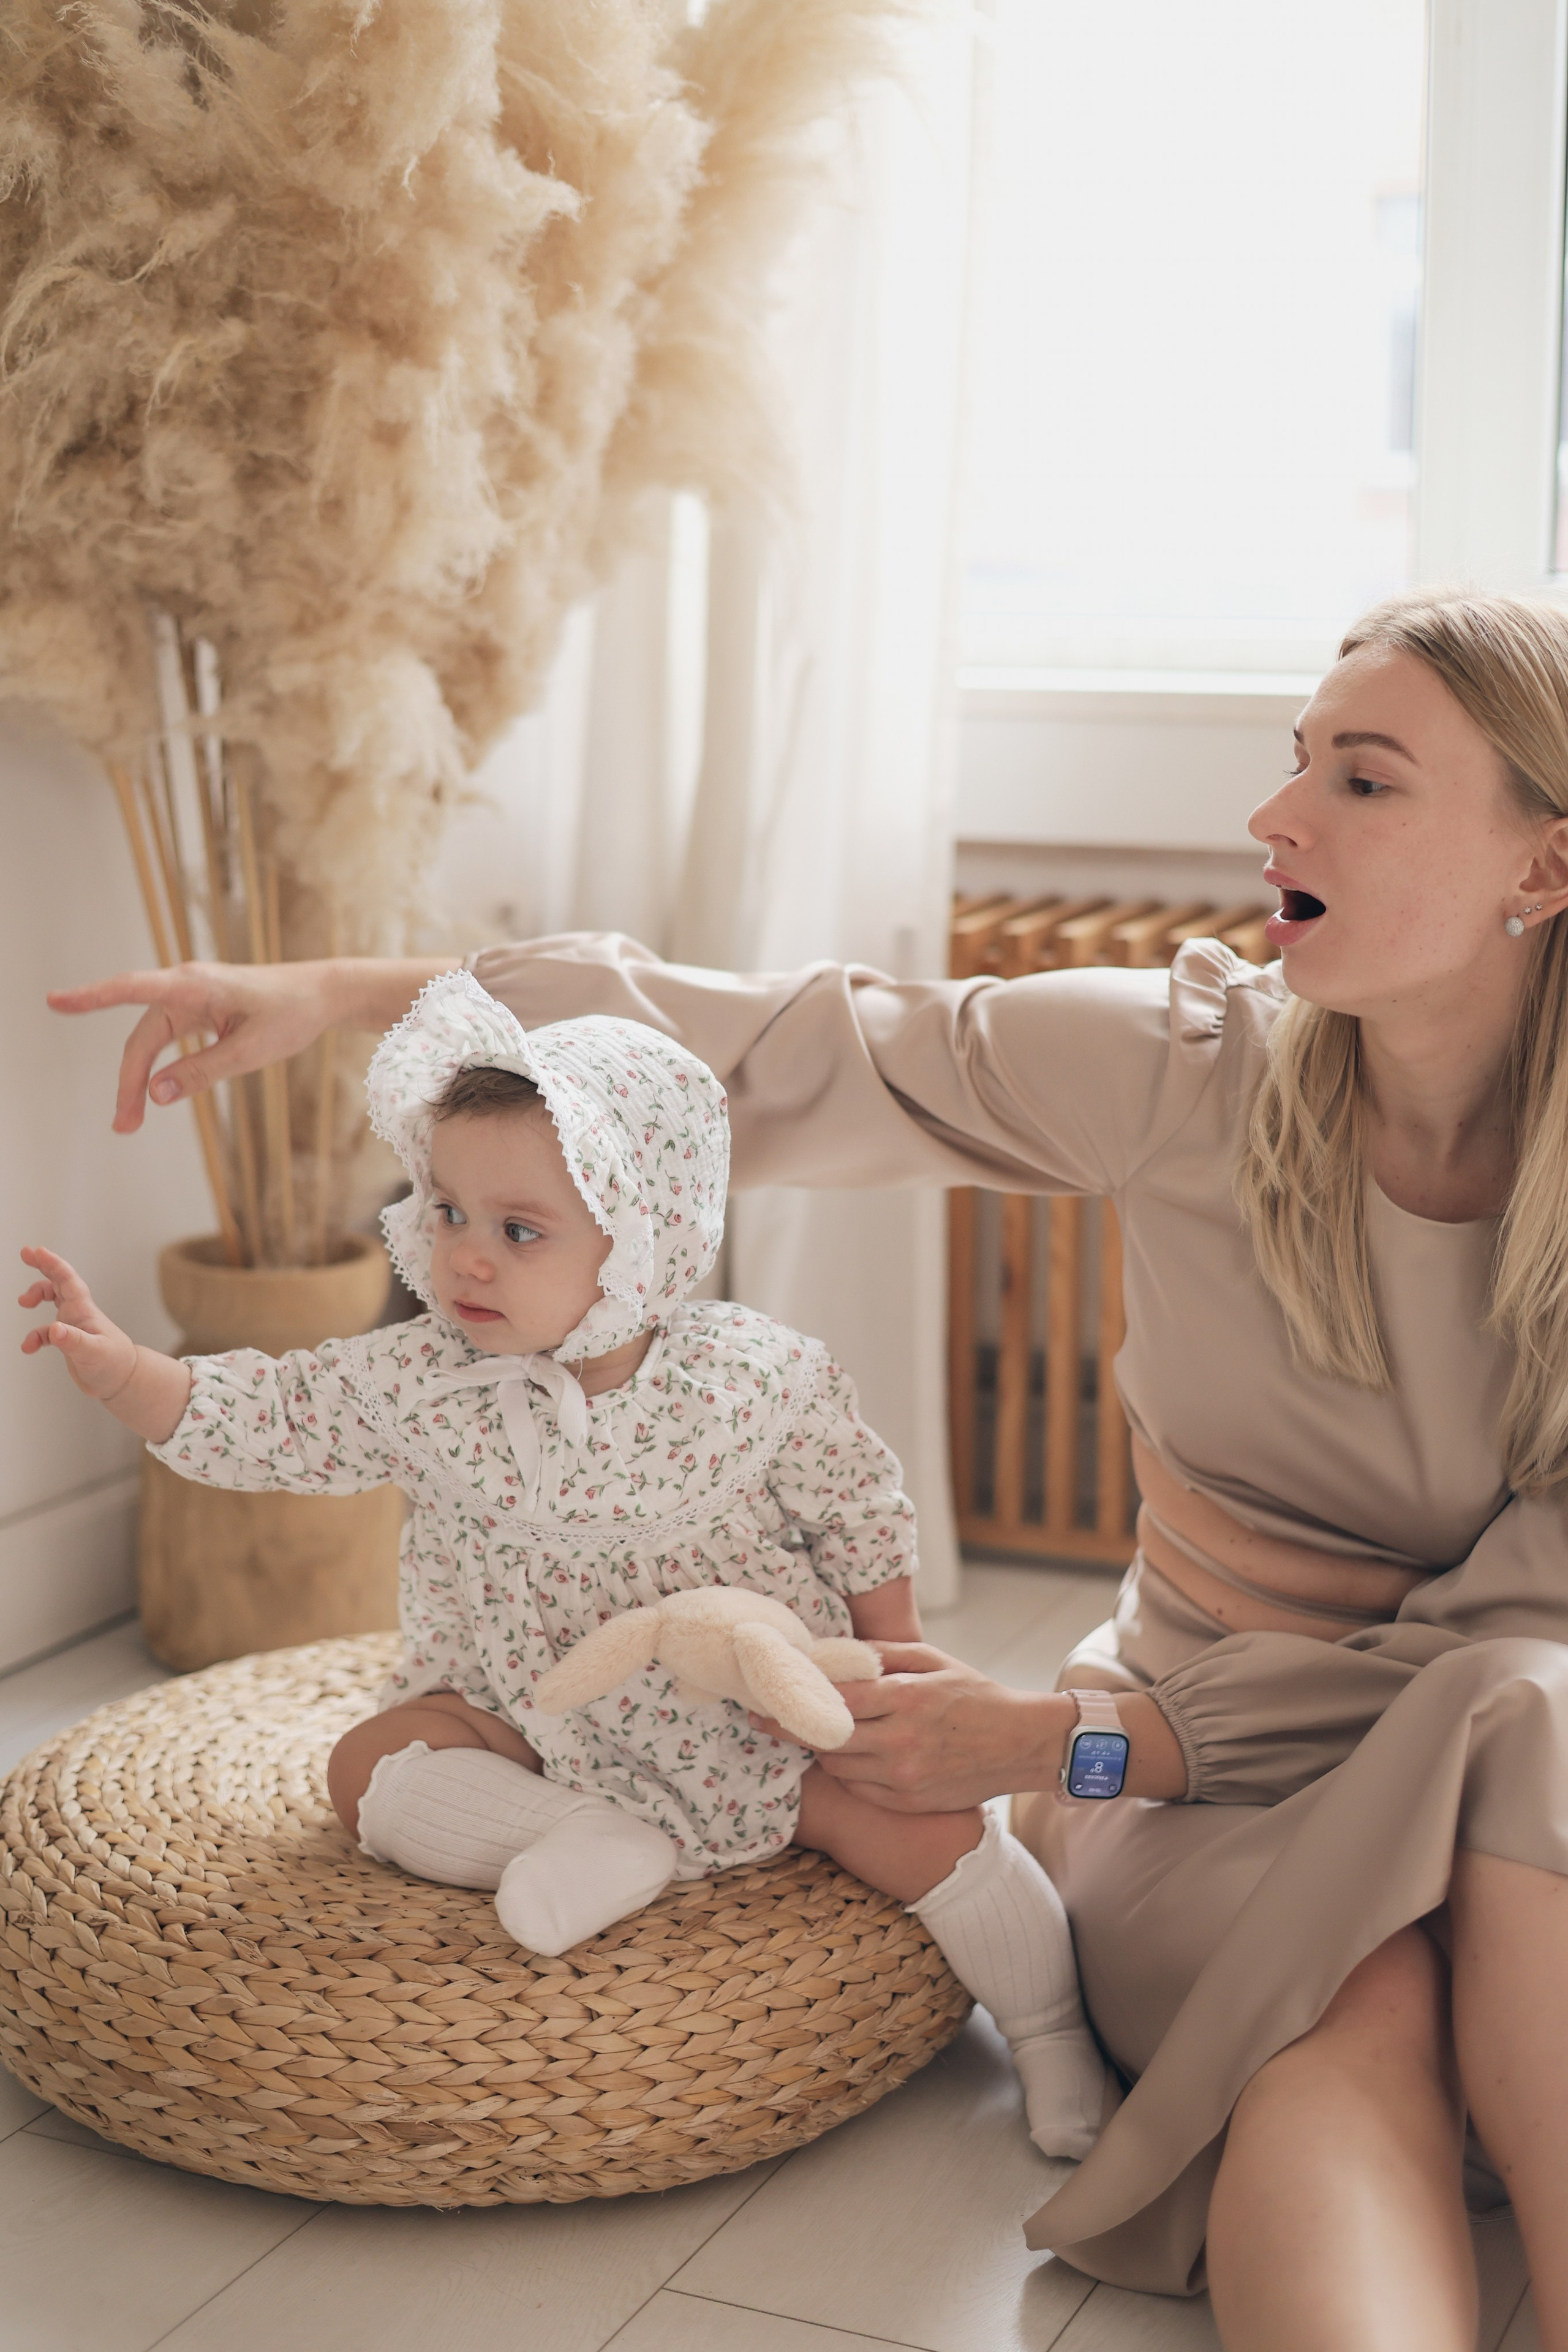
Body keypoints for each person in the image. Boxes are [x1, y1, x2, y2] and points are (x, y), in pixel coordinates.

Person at [45, 589, 1568, 2352]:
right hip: (1195, 1791)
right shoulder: (1192, 1068)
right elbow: (783, 1046)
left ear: (1543, 869)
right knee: (1356, 2001)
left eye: (1362, 782)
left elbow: (1521, 1651)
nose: (1274, 818)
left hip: (1451, 1759)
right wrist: (335, 996)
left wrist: (1054, 1739)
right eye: (1291, 760)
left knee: (1522, 1700)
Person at [18, 971, 1109, 2155]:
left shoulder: (753, 1375)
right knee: (369, 1765)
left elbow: (859, 1506)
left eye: (518, 1230)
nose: (466, 1261)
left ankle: (1052, 2035)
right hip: (527, 1720)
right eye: (445, 1213)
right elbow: (277, 1414)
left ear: (641, 1240)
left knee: (937, 1834)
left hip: (757, 1722)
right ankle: (574, 1837)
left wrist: (892, 1649)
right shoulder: (423, 1380)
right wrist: (131, 1372)